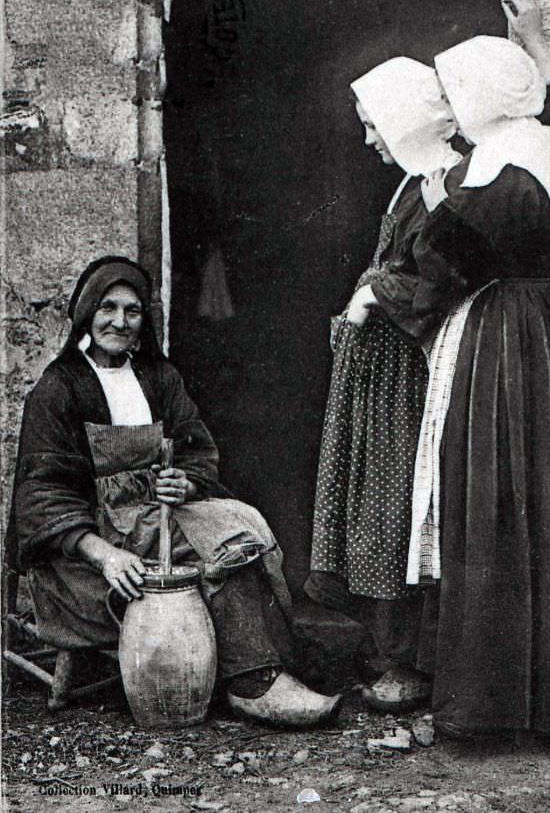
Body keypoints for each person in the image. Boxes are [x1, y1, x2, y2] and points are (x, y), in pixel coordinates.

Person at [400, 0, 550, 737]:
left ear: (475, 99)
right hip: (549, 327)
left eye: (456, 89)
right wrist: (533, 37)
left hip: (501, 330)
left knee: (496, 495)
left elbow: (441, 265)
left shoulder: (491, 173)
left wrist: (433, 204)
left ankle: (497, 705)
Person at [11, 255, 340, 727]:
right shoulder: (57, 389)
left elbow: (196, 449)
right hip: (90, 549)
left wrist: (185, 479)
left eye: (133, 311)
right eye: (108, 307)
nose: (120, 322)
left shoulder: (159, 377)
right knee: (226, 543)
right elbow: (41, 497)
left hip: (155, 519)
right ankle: (252, 681)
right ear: (86, 311)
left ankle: (261, 667)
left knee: (245, 524)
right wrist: (105, 556)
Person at [305, 57, 460, 711]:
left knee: (400, 502)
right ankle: (384, 649)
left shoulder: (448, 185)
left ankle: (414, 661)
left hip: (406, 370)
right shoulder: (410, 182)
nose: (369, 140)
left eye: (375, 125)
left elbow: (443, 277)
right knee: (372, 497)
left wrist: (375, 295)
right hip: (376, 369)